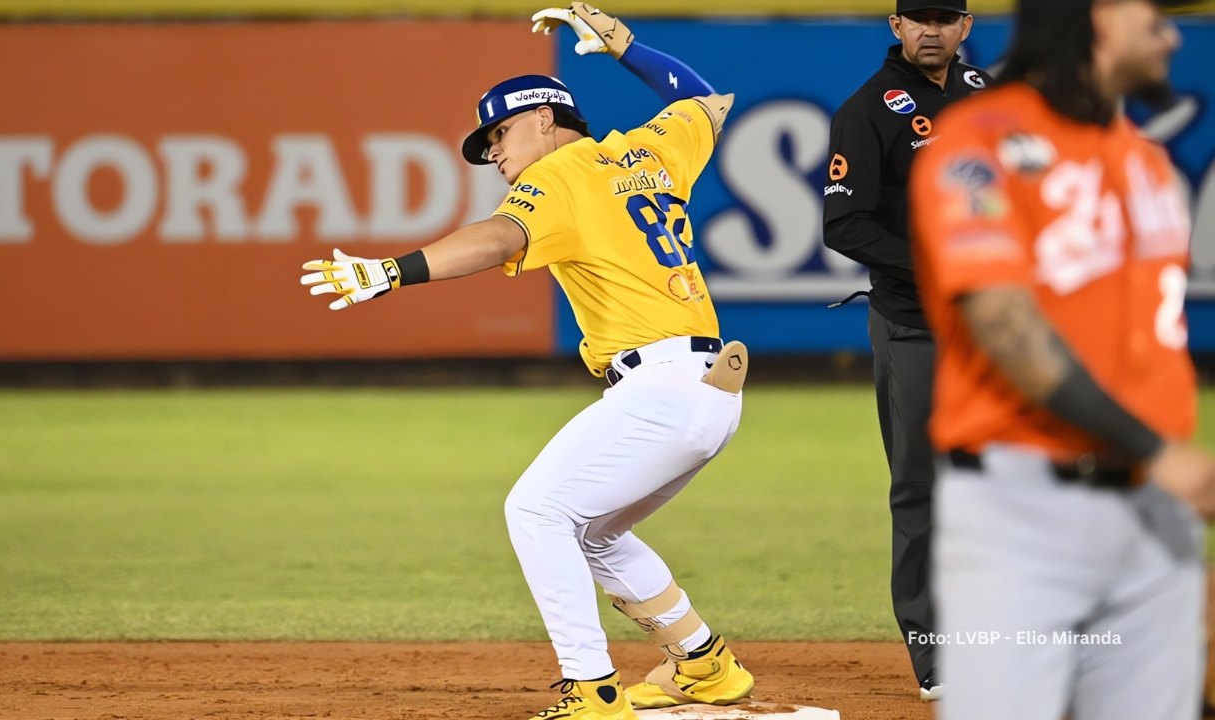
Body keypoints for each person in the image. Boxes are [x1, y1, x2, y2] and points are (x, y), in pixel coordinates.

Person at [301, 5, 754, 719]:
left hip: (661, 388)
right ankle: (705, 664)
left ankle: (592, 690)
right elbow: (708, 101)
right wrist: (626, 46)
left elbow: (496, 240)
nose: (497, 155)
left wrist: (392, 271)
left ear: (544, 118)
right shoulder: (648, 151)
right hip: (711, 392)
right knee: (598, 531)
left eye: (500, 134)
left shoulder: (563, 174)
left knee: (536, 510)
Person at [909, 0, 1215, 717]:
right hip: (1022, 513)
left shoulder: (1143, 158)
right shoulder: (978, 142)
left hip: (1157, 519)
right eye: (1156, 18)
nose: (1172, 36)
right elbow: (1005, 328)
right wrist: (1155, 450)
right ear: (1102, 19)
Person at [821, 0, 991, 700]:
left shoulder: (991, 96)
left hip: (997, 330)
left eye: (943, 17)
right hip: (917, 325)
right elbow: (845, 223)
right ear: (895, 27)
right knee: (921, 486)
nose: (930, 30)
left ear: (965, 26)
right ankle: (933, 649)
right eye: (915, 17)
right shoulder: (867, 111)